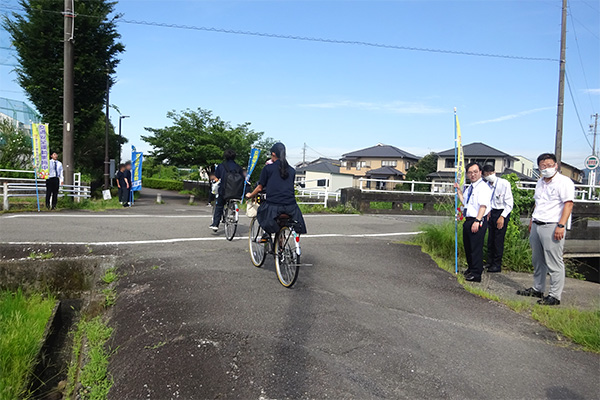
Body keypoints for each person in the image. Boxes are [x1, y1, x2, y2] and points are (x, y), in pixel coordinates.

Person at [517, 153, 574, 306]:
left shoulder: (564, 182)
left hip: (553, 225)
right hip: (537, 223)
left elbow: (568, 204)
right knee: (537, 260)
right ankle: (538, 288)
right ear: (539, 167)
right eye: (543, 166)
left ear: (556, 165)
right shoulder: (540, 182)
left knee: (554, 261)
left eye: (549, 165)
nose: (546, 168)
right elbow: (538, 203)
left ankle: (555, 295)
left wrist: (561, 225)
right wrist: (532, 220)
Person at [246, 142, 307, 237]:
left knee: (261, 212)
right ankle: (280, 244)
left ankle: (266, 235)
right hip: (291, 207)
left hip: (274, 206)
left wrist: (250, 195)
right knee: (284, 223)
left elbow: (259, 188)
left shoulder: (268, 168)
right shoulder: (292, 170)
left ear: (273, 154)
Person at [454, 162, 492, 282]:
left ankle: (476, 273)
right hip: (469, 219)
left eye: (475, 172)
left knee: (476, 247)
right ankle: (471, 268)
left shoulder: (483, 187)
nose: (473, 174)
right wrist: (459, 191)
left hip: (477, 220)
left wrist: (478, 220)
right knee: (468, 246)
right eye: (470, 172)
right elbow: (465, 201)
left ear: (480, 172)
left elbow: (483, 206)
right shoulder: (471, 187)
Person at [482, 164, 514, 273]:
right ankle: (490, 262)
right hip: (491, 212)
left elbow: (509, 203)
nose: (489, 176)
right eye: (486, 175)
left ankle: (497, 264)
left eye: (490, 174)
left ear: (494, 172)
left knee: (498, 239)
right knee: (490, 238)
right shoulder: (486, 185)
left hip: (502, 212)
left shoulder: (504, 183)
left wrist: (502, 217)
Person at [209, 149, 243, 232]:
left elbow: (217, 177)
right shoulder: (239, 167)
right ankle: (233, 214)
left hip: (224, 191)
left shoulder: (221, 166)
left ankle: (215, 224)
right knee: (230, 202)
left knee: (219, 205)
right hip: (236, 192)